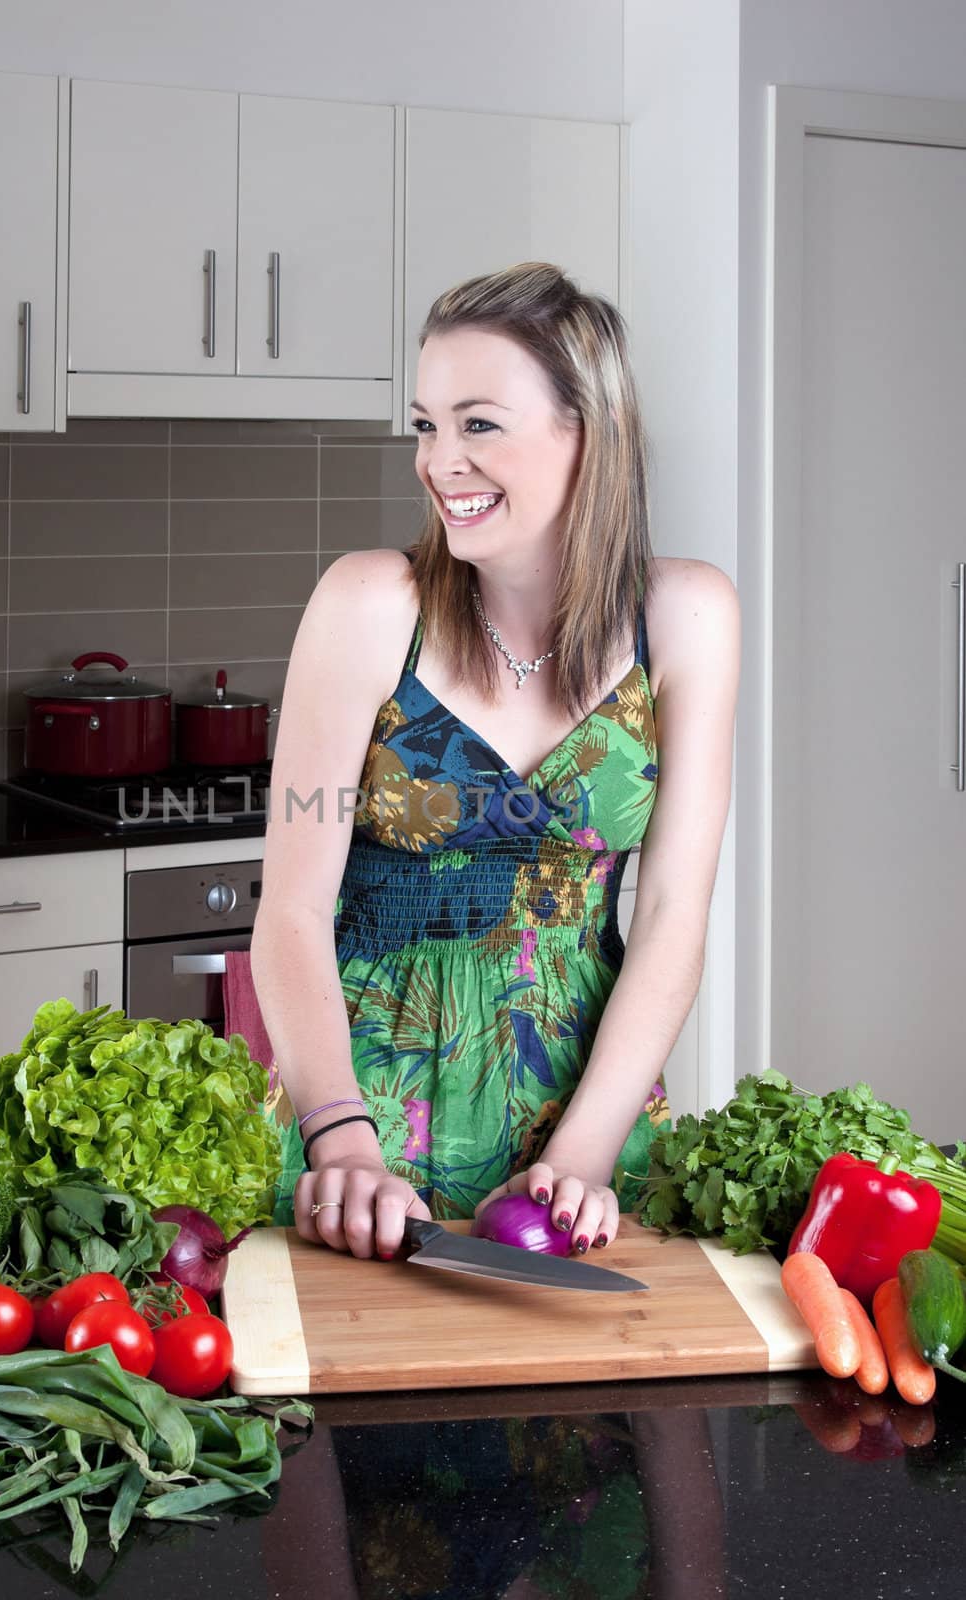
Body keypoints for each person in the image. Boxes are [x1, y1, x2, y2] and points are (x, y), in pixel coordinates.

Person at [250, 260, 739, 1258]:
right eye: (426, 425)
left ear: (584, 433)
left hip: (582, 1132)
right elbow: (291, 911)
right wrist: (340, 1141)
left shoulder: (686, 618)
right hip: (360, 1120)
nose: (439, 461)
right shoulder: (370, 602)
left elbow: (672, 914)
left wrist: (585, 1149)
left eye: (478, 424)